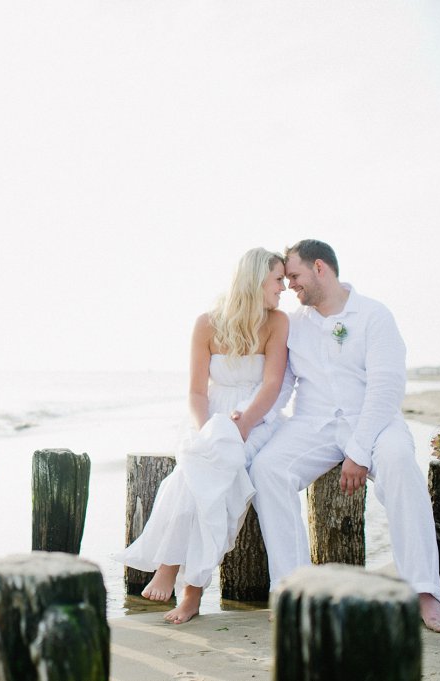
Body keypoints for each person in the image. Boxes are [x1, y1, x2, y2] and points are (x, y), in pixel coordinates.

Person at [248, 239, 440, 633]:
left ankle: (424, 593)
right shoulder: (294, 324)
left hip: (375, 421)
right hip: (313, 423)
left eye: (293, 275)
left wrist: (360, 452)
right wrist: (247, 422)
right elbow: (281, 387)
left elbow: (386, 387)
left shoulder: (374, 315)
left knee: (399, 464)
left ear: (319, 268)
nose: (290, 285)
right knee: (267, 469)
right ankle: (297, 589)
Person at [115, 247, 288, 624]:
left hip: (257, 418)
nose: (283, 287)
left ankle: (179, 577)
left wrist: (242, 426)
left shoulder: (277, 322)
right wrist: (205, 428)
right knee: (192, 472)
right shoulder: (206, 323)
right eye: (278, 279)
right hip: (209, 418)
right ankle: (184, 581)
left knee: (216, 473)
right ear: (256, 279)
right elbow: (196, 391)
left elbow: (272, 385)